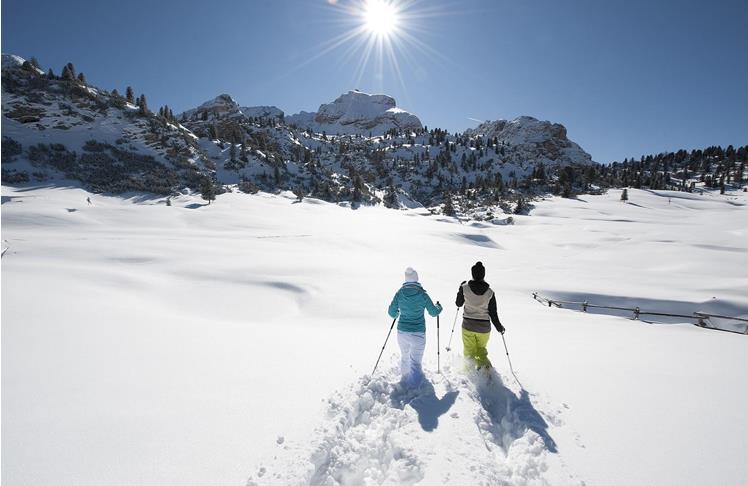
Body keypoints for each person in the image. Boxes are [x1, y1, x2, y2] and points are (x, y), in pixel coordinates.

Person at [388, 267, 442, 388]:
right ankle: (416, 389)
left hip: (402, 332)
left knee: (405, 357)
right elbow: (433, 312)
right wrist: (439, 308)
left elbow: (392, 312)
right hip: (418, 334)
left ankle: (404, 382)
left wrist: (397, 313)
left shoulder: (400, 293)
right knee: (416, 363)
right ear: (416, 279)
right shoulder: (422, 294)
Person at [455, 261, 505, 370]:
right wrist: (499, 327)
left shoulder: (465, 288)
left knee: (469, 352)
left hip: (468, 326)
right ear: (483, 275)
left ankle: (470, 373)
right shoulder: (490, 292)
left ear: (472, 274)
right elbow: (493, 313)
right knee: (481, 351)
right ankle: (487, 373)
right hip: (484, 328)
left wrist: (460, 289)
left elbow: (458, 303)